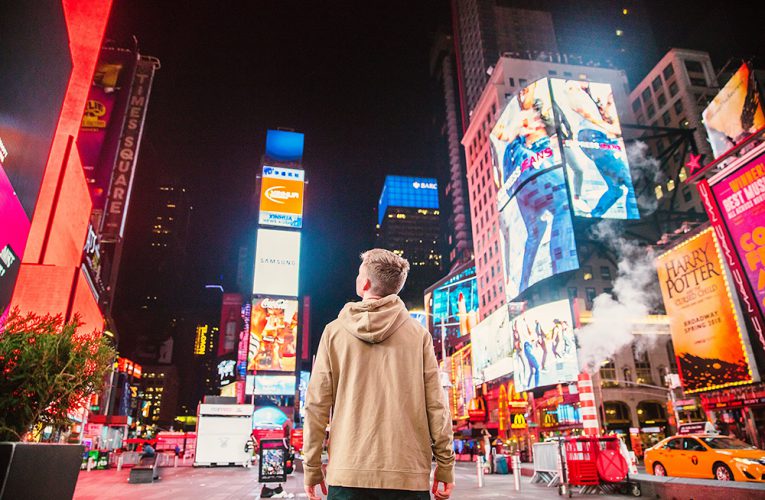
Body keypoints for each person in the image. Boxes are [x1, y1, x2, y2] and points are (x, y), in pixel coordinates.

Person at [303, 249, 455, 500]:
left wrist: (312, 466)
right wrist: (445, 465)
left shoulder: (334, 332)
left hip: (348, 474)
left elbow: (316, 405)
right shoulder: (419, 335)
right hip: (408, 477)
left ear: (365, 283)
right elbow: (437, 406)